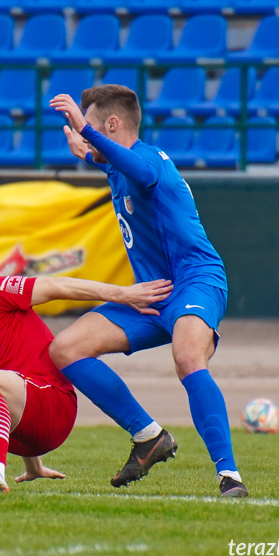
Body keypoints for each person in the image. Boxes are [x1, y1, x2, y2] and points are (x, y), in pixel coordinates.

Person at [47, 85, 248, 498]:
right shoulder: (117, 166)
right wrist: (85, 151)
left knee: (188, 355)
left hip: (196, 280)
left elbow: (133, 167)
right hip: (150, 295)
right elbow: (109, 162)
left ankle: (229, 476)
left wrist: (86, 128)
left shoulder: (149, 161)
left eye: (91, 130)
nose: (86, 138)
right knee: (64, 348)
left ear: (112, 125)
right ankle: (149, 436)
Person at [0, 270, 173, 492]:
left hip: (55, 408)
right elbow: (3, 396)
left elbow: (55, 286)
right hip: (23, 430)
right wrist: (33, 465)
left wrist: (121, 294)